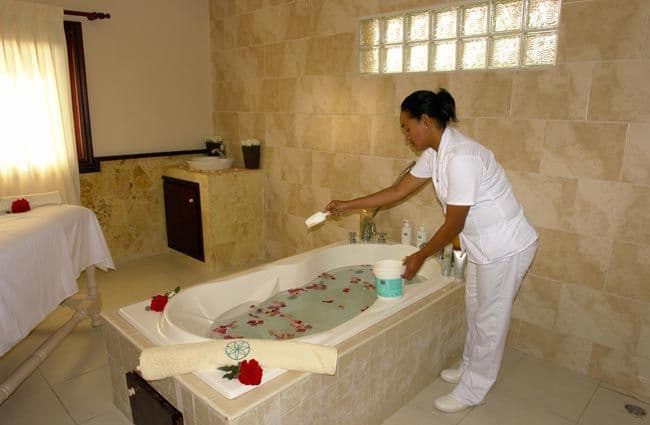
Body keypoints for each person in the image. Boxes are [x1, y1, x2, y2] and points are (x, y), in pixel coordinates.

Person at [324, 89, 538, 413]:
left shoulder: (462, 158)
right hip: (483, 246)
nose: (406, 135)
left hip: (505, 247)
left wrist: (420, 255)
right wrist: (347, 205)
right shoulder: (435, 153)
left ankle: (474, 388)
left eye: (407, 127)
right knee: (475, 310)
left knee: (490, 320)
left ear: (425, 121)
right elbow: (398, 190)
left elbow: (454, 223)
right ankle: (470, 368)